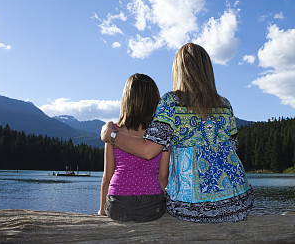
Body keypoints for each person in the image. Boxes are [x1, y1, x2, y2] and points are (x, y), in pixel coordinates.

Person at [101, 43, 253, 223]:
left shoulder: (172, 102)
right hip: (239, 202)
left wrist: (110, 135)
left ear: (179, 71)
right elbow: (233, 147)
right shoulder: (225, 104)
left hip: (192, 208)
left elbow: (148, 151)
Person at [98, 73, 169, 222]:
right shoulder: (160, 134)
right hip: (151, 205)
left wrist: (101, 211)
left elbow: (107, 178)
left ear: (127, 99)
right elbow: (163, 177)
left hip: (117, 203)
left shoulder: (113, 131)